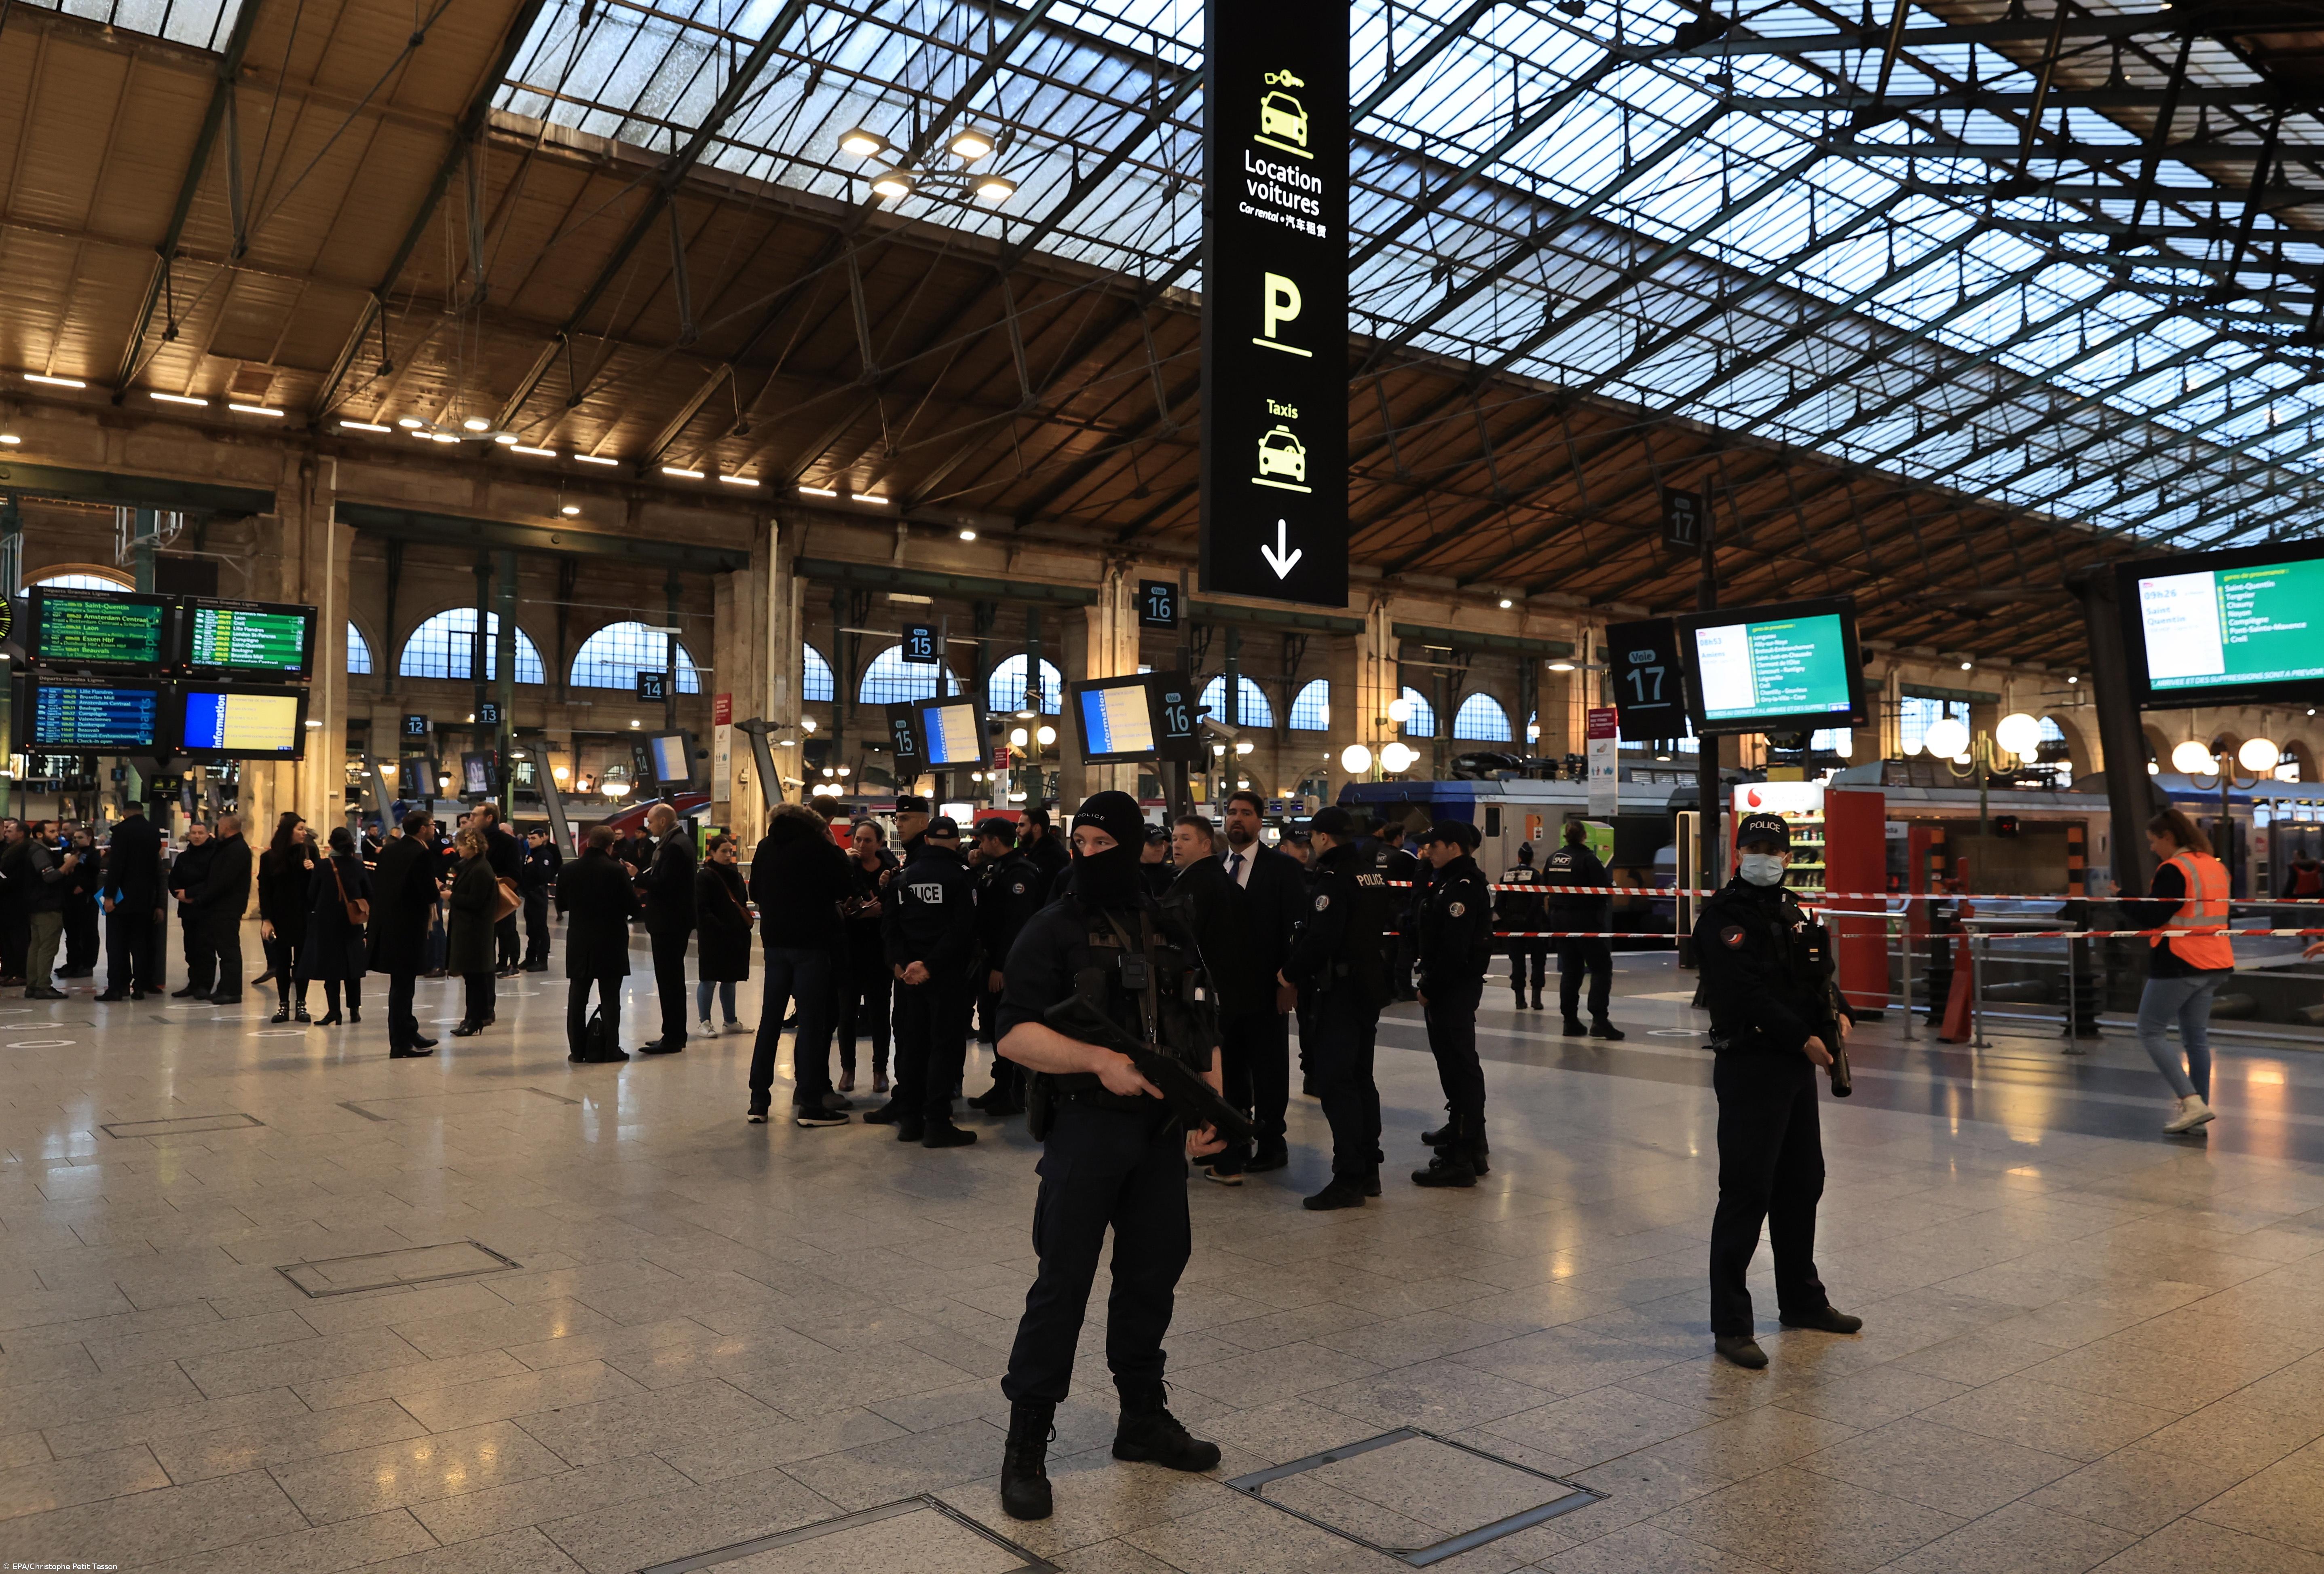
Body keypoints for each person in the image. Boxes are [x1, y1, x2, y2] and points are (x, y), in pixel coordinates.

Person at [991, 790, 1225, 1523]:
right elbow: (1011, 1035)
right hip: (1086, 1129)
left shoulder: (1169, 924)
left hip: (1157, 1137)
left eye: (1103, 843)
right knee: (1062, 1284)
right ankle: (1026, 1444)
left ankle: (1141, 1419)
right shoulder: (1051, 926)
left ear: (1134, 847)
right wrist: (1097, 1061)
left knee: (1152, 1278)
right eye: (1081, 842)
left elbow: (1201, 1019)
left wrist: (1207, 1105)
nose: (1089, 855)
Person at [1694, 810, 1860, 1369]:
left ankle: (1802, 1301)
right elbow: (1744, 995)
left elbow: (1813, 980)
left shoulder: (1792, 912)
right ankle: (1732, 1325)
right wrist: (1802, 1038)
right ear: (1739, 853)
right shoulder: (1724, 915)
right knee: (1746, 1191)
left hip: (1794, 1067)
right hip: (1751, 1064)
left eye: (1773, 847)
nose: (1764, 854)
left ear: (1788, 856)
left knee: (1801, 1183)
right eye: (1754, 845)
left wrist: (1842, 1018)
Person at [1285, 804, 1392, 1211]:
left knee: (1336, 1081)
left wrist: (1288, 973)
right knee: (1361, 1078)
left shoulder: (1332, 879)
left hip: (1340, 991)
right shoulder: (1372, 874)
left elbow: (1321, 940)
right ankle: (1368, 1169)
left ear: (1324, 838)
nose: (1311, 844)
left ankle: (1348, 1175)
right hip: (1368, 987)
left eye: (1312, 837)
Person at [1199, 790, 1305, 1181]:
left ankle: (1273, 1141)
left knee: (1269, 1068)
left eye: (1245, 813)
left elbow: (1296, 928)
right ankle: (1236, 1138)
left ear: (1261, 822)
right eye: (1231, 813)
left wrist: (1288, 980)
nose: (1237, 820)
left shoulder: (1282, 868)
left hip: (1266, 986)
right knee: (1230, 1068)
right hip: (1223, 991)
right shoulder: (1215, 867)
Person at [872, 813, 979, 1146]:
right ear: (956, 842)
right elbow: (963, 930)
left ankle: (909, 1120)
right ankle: (937, 1122)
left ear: (928, 839)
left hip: (908, 979)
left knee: (912, 1044)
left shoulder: (904, 876)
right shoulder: (964, 876)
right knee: (944, 1045)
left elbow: (889, 926)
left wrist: (901, 965)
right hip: (946, 976)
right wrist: (930, 965)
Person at [2127, 808, 2234, 1135]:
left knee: (2150, 1030)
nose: (2151, 848)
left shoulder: (2175, 869)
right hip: (2216, 960)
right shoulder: (2214, 867)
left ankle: (2191, 1102)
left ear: (2168, 837)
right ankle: (2197, 1113)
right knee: (2195, 1038)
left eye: (2153, 841)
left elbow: (2155, 916)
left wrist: (2121, 900)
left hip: (2180, 961)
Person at [747, 801, 852, 1126]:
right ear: (817, 824)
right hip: (811, 944)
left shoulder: (766, 846)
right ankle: (809, 1104)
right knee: (811, 1023)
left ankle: (758, 1102)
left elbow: (755, 889)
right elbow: (844, 886)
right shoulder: (817, 845)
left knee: (770, 1021)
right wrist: (833, 846)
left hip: (775, 943)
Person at [1413, 821, 1494, 1187]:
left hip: (1453, 989)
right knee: (1453, 1064)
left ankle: (1464, 1156)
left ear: (1454, 847)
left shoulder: (1462, 886)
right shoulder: (1448, 880)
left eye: (1434, 845)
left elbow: (1454, 950)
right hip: (1451, 988)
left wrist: (1429, 987)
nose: (1429, 850)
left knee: (1460, 1066)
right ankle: (1466, 1136)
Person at [970, 816, 1044, 1116]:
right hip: (992, 959)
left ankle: (1016, 1093)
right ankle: (1001, 1086)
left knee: (1009, 1026)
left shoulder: (1020, 874)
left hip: (1010, 964)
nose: (979, 844)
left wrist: (1001, 967)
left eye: (983, 839)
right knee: (993, 1023)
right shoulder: (997, 869)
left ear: (995, 841)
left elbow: (1016, 926)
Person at [558, 823, 639, 1062]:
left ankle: (577, 1050)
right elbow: (633, 907)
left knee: (578, 997)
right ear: (610, 845)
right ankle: (611, 1048)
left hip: (580, 940)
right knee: (611, 997)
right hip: (611, 940)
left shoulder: (569, 870)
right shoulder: (616, 871)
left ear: (589, 843)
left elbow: (561, 904)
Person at [368, 811, 442, 1058]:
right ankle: (399, 1043)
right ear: (422, 829)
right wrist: (438, 888)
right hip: (407, 928)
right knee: (402, 988)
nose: (434, 829)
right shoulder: (421, 853)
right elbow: (428, 893)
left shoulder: (390, 849)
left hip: (387, 925)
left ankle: (410, 1031)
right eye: (432, 825)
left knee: (402, 985)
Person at [1543, 820, 1624, 1040]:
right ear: (1584, 836)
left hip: (1559, 920)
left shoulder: (1553, 859)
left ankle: (1570, 1022)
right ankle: (1599, 1020)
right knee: (1601, 967)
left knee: (1571, 971)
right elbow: (1602, 889)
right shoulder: (1589, 859)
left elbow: (1545, 887)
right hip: (1585, 920)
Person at [837, 818, 898, 1096]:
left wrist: (878, 909)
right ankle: (847, 1069)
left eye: (868, 840)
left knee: (879, 1013)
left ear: (880, 843)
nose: (861, 845)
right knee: (847, 1013)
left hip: (879, 952)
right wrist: (863, 910)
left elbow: (895, 909)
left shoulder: (891, 870)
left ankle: (879, 1069)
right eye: (858, 840)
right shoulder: (847, 868)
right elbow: (840, 906)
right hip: (849, 950)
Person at [635, 803, 697, 1054]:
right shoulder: (681, 842)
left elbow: (664, 884)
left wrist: (637, 876)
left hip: (669, 922)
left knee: (669, 980)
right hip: (675, 921)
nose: (649, 827)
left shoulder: (673, 847)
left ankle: (672, 1037)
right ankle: (673, 1033)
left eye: (650, 822)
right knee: (672, 979)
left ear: (662, 821)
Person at [302, 826, 371, 1025]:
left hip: (327, 924)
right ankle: (354, 1011)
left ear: (331, 844)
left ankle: (334, 1012)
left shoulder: (324, 866)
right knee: (352, 969)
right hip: (353, 922)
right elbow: (369, 892)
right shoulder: (358, 865)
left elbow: (312, 894)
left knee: (331, 969)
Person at [96, 803, 163, 1001]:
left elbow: (117, 866)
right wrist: (158, 902)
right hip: (145, 898)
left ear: (124, 813)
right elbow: (156, 869)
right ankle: (141, 986)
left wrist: (109, 896)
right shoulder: (153, 832)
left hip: (122, 898)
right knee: (141, 944)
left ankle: (117, 987)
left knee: (117, 944)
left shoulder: (122, 831)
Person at [257, 813, 316, 1024]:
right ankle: (283, 1005)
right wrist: (267, 919)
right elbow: (265, 889)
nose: (304, 833)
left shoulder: (310, 852)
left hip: (304, 915)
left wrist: (314, 871)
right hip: (280, 916)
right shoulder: (270, 858)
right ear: (288, 831)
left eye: (304, 829)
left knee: (302, 962)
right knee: (282, 963)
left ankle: (302, 1004)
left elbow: (319, 887)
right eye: (300, 829)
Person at [693, 833, 752, 1040]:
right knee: (709, 979)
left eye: (730, 852)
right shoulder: (705, 876)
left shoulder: (735, 874)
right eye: (724, 852)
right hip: (713, 935)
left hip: (735, 935)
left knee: (730, 979)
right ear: (712, 853)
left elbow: (743, 900)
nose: (728, 856)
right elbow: (702, 908)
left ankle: (730, 1020)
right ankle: (704, 1021)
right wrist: (719, 927)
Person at [445, 827, 500, 1037]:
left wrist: (451, 896)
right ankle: (471, 1017)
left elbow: (476, 901)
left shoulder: (480, 869)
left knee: (475, 978)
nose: (457, 848)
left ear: (472, 846)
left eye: (461, 844)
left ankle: (475, 1019)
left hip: (475, 931)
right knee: (472, 978)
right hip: (470, 929)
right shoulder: (473, 866)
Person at [194, 814, 252, 1004]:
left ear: (226, 828)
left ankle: (233, 991)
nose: (217, 830)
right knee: (223, 950)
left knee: (229, 951)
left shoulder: (237, 849)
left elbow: (224, 880)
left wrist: (204, 898)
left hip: (228, 907)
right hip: (221, 906)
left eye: (219, 827)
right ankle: (224, 987)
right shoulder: (228, 847)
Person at [1372, 820, 1422, 1001]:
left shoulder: (1379, 854)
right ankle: (1405, 988)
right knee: (1405, 948)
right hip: (1400, 906)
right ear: (1399, 836)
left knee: (1389, 948)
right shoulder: (1402, 856)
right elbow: (1420, 871)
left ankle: (1389, 987)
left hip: (1383, 905)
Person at [168, 821, 217, 998]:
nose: (197, 836)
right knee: (191, 948)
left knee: (205, 948)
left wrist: (190, 893)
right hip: (187, 910)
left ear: (208, 834)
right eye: (194, 833)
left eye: (201, 833)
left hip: (205, 909)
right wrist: (179, 895)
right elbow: (173, 879)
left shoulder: (214, 855)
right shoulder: (184, 857)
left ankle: (205, 985)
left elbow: (213, 881)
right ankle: (193, 983)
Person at [1496, 842, 1547, 1009]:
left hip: (1512, 926)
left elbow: (1499, 904)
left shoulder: (1506, 876)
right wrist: (1529, 919)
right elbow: (1537, 901)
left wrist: (1508, 919)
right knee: (1538, 961)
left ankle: (1520, 1000)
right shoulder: (1536, 876)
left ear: (1519, 858)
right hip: (1533, 926)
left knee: (1517, 962)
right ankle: (1536, 1000)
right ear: (1532, 859)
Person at [475, 803, 524, 977]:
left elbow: (515, 873)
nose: (472, 819)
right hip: (480, 896)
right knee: (486, 934)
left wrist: (492, 879)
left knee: (507, 931)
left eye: (476, 815)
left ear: (489, 818)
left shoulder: (508, 842)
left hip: (501, 894)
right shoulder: (474, 841)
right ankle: (490, 964)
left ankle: (513, 963)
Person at [61, 825, 101, 979]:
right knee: (72, 933)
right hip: (70, 898)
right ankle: (73, 963)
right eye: (75, 838)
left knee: (88, 932)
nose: (76, 841)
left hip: (86, 899)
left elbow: (95, 875)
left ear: (89, 839)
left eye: (80, 838)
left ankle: (87, 964)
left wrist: (84, 886)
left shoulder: (93, 855)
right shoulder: (71, 852)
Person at [520, 828, 560, 971]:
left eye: (534, 838)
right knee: (531, 929)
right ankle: (530, 958)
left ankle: (542, 960)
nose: (530, 841)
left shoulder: (544, 856)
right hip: (529, 895)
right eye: (529, 839)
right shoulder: (530, 854)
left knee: (540, 928)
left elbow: (543, 876)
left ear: (543, 838)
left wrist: (531, 866)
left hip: (538, 894)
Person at [1019, 805, 1068, 898]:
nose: (1017, 830)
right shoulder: (1036, 853)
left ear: (1036, 828)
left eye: (1022, 825)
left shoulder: (1052, 857)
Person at [1137, 826, 1175, 897]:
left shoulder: (1173, 875)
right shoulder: (1129, 874)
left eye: (1161, 844)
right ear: (1139, 845)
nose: (1159, 849)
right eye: (1153, 844)